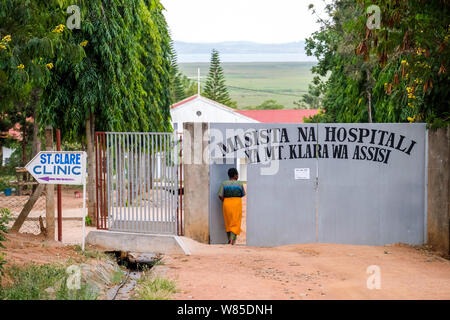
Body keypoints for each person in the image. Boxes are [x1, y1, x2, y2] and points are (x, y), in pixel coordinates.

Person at [218, 168, 246, 245]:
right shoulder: (239, 184)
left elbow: (220, 195)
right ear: (235, 175)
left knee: (228, 222)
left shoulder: (224, 183)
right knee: (235, 222)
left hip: (226, 203)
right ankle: (232, 240)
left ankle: (229, 240)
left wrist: (225, 200)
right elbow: (243, 194)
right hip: (237, 203)